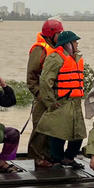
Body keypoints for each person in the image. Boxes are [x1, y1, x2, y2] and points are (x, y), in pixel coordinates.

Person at [36, 30, 87, 167]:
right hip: (62, 101)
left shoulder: (75, 58)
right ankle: (57, 158)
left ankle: (69, 157)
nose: (77, 44)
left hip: (75, 101)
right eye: (75, 41)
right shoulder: (55, 58)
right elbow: (45, 81)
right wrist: (50, 102)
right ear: (67, 44)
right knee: (58, 132)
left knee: (78, 133)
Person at [25, 17, 63, 160]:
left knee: (52, 129)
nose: (61, 36)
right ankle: (36, 157)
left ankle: (48, 156)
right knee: (40, 129)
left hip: (55, 96)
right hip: (42, 96)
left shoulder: (57, 49)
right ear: (51, 34)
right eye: (59, 33)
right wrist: (39, 94)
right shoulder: (39, 49)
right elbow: (31, 76)